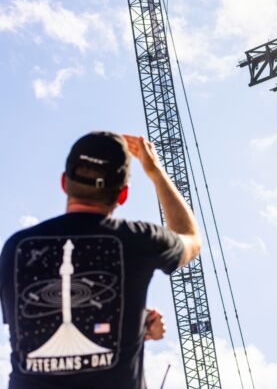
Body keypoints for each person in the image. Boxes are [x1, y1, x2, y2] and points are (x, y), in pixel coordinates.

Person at [0, 132, 201, 389]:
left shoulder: (17, 248)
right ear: (123, 194)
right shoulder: (139, 240)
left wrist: (133, 322)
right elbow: (190, 238)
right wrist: (156, 172)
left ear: (64, 182)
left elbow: (35, 321)